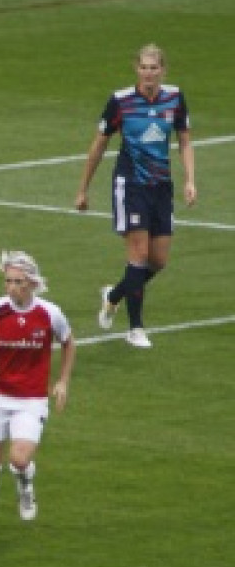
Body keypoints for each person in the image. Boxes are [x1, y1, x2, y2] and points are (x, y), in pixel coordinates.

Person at [75, 43, 196, 349]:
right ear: (136, 69)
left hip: (161, 187)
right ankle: (136, 328)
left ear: (163, 70)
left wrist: (190, 180)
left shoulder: (175, 98)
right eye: (143, 67)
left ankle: (114, 295)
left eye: (154, 68)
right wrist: (83, 189)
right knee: (139, 255)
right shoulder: (121, 102)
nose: (148, 73)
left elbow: (184, 140)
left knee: (158, 261)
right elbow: (99, 144)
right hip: (130, 186)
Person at [0, 251, 76, 535]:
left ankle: (25, 488)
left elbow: (68, 342)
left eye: (17, 281)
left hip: (30, 398)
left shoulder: (49, 313)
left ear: (31, 283)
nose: (11, 287)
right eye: (8, 281)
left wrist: (63, 381)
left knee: (19, 459)